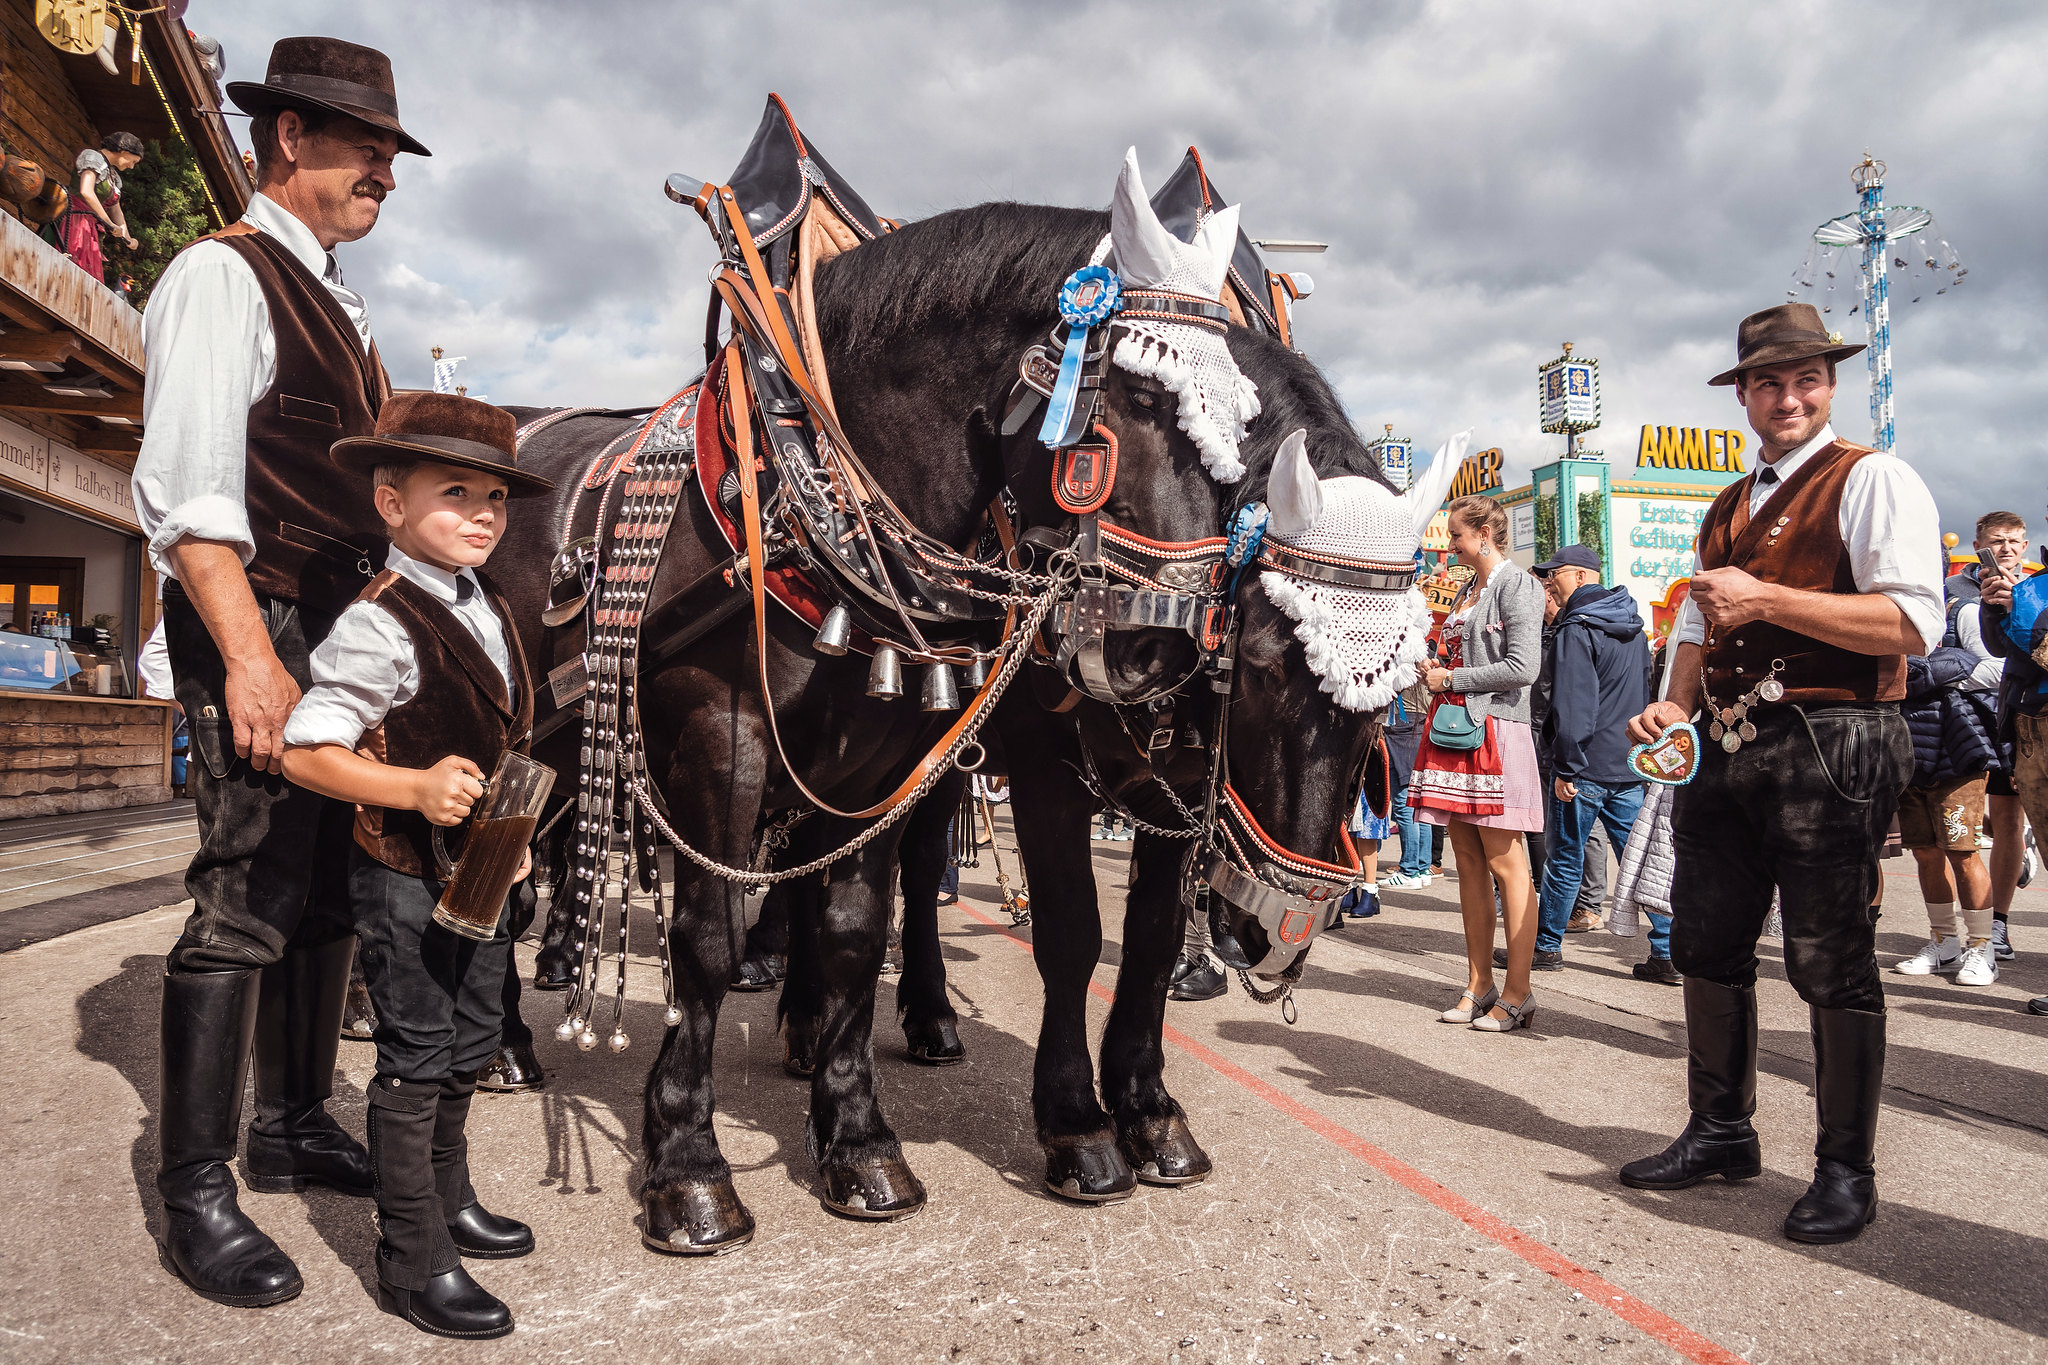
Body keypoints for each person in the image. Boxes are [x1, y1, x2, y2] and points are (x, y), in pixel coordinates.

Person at [129, 36, 428, 1310]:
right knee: (246, 888)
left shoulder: (338, 302)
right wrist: (251, 662)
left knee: (322, 897)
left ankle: (294, 1117)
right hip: (256, 621)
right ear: (289, 138)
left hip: (324, 632)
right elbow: (194, 497)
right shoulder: (221, 275)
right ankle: (196, 1184)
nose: (387, 173)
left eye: (392, 153)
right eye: (367, 146)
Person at [1620, 303, 1941, 1244]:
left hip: (1834, 742)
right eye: (1767, 381)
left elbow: (1912, 623)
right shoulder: (1727, 503)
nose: (1787, 396)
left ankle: (1846, 1170)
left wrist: (1772, 600)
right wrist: (1675, 700)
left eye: (1804, 378)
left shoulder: (1872, 477)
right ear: (1745, 396)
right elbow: (1692, 619)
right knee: (1705, 944)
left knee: (1827, 959)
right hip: (1725, 744)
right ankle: (1722, 1129)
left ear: (1829, 384)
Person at [281, 393, 548, 1339]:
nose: (483, 512)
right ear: (391, 505)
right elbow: (305, 751)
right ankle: (411, 1254)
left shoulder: (488, 603)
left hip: (481, 878)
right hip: (400, 874)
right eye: (456, 492)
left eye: (495, 497)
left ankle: (452, 1195)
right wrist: (412, 787)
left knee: (475, 1038)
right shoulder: (380, 620)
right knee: (417, 1054)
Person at [1409, 494, 1546, 1031]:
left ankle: (1518, 989)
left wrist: (1453, 680)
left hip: (1496, 731)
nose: (1451, 544)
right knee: (1467, 860)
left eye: (1459, 535)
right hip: (1455, 729)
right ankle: (1478, 983)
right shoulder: (1468, 589)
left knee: (1507, 864)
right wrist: (1434, 667)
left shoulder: (1518, 585)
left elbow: (1524, 666)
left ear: (1485, 533)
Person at [1529, 545, 1650, 973]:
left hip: (1584, 764)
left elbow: (1574, 704)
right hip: (1629, 760)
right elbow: (1642, 691)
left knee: (1564, 856)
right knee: (1639, 858)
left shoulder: (1576, 627)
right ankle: (1670, 952)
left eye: (1555, 574)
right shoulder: (1634, 626)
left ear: (1580, 576)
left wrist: (1566, 765)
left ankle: (1545, 948)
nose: (1549, 583)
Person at [1890, 624, 2002, 985]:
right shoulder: (1887, 610)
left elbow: (1994, 666)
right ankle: (1944, 940)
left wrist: (1928, 672)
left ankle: (1982, 946)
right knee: (1924, 852)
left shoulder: (1964, 609)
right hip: (1909, 753)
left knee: (1963, 852)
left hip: (1957, 754)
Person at [1978, 505, 2048, 1016]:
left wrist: (2016, 609)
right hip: (2027, 730)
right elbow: (1998, 646)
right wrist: (1996, 606)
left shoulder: (2032, 590)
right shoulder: (2034, 585)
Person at [1958, 511, 2033, 963]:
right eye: (1997, 541)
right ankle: (1971, 930)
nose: (2006, 548)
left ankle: (1998, 923)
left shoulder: (2036, 591)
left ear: (2025, 546)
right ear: (1980, 543)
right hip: (1975, 724)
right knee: (1966, 831)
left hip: (2027, 721)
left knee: (2012, 825)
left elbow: (2002, 661)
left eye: (2014, 541)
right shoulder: (1956, 592)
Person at [1523, 585, 1611, 929]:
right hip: (1552, 734)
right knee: (1562, 830)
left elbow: (1570, 697)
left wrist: (1567, 758)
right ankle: (1557, 921)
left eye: (1547, 584)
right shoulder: (1551, 631)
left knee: (1580, 831)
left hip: (1570, 742)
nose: (1545, 591)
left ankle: (1585, 907)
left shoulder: (1574, 630)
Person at [60, 131, 142, 283]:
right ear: (124, 152)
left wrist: (127, 237)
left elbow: (116, 210)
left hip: (90, 227)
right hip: (75, 221)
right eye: (133, 161)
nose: (131, 166)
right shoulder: (92, 157)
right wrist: (108, 223)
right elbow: (86, 191)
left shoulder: (112, 176)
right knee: (71, 271)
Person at [1380, 671, 1435, 888]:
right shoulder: (1427, 654)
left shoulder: (1404, 650)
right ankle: (1422, 868)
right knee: (1419, 803)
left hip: (1402, 721)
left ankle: (1410, 870)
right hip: (1422, 721)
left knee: (1405, 804)